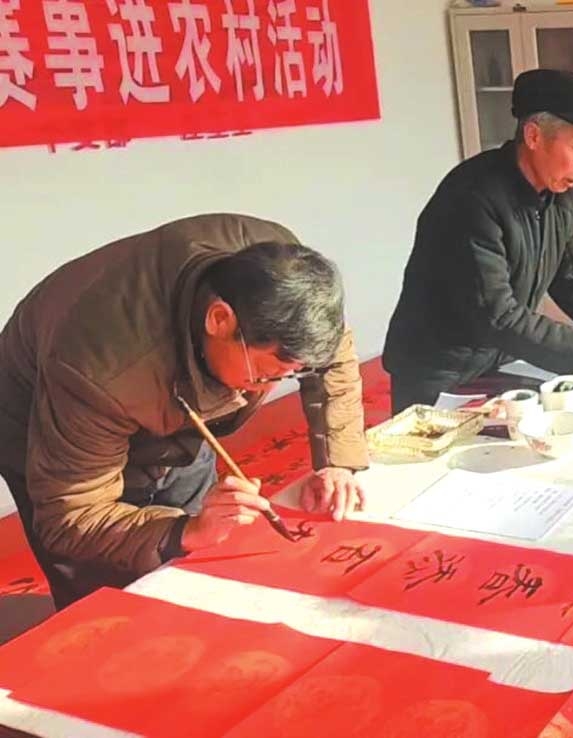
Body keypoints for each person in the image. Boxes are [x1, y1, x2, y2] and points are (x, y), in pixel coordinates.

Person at [0, 214, 369, 608]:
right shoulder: (97, 373)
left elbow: (331, 353)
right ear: (219, 319)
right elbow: (73, 516)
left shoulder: (283, 278)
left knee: (200, 556)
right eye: (264, 375)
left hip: (169, 383)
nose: (268, 389)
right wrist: (184, 531)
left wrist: (337, 463)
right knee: (108, 595)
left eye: (290, 375)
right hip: (50, 418)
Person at [383, 69, 573, 411]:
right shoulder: (473, 197)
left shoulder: (555, 192)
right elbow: (496, 314)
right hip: (439, 370)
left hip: (498, 359)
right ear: (533, 135)